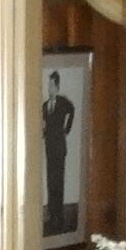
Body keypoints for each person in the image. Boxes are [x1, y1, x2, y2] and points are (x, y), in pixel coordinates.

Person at [41, 70, 77, 235]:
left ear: (57, 86)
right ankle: (51, 214)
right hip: (49, 148)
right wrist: (43, 134)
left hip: (59, 149)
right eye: (48, 85)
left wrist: (67, 129)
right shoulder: (45, 106)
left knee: (58, 182)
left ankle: (59, 216)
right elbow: (43, 124)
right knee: (50, 181)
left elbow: (72, 110)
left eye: (51, 85)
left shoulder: (63, 102)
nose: (49, 88)